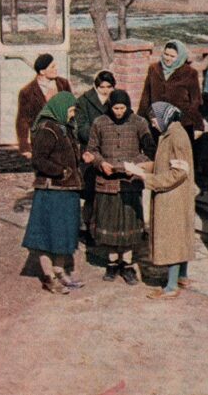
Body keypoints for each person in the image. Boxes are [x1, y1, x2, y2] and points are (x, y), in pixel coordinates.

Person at [84, 90, 155, 285]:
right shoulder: (99, 123)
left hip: (130, 184)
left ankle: (128, 264)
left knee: (129, 224)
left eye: (122, 108)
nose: (118, 112)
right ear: (110, 106)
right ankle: (112, 263)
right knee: (110, 223)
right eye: (115, 108)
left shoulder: (139, 122)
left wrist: (135, 166)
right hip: (106, 183)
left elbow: (149, 149)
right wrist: (100, 164)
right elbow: (91, 150)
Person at [126, 102, 195, 300]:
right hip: (172, 195)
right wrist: (143, 168)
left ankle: (171, 286)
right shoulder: (171, 133)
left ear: (164, 118)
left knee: (172, 239)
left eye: (154, 120)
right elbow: (164, 163)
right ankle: (182, 276)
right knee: (179, 236)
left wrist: (147, 179)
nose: (154, 125)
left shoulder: (176, 137)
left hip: (173, 197)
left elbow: (179, 173)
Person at [22, 91, 85, 294]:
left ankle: (60, 272)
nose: (73, 114)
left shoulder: (64, 128)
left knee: (63, 235)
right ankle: (49, 278)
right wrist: (60, 171)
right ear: (59, 108)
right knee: (48, 237)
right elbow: (38, 159)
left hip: (68, 190)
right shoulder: (47, 129)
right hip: (52, 191)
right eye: (70, 110)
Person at [137, 40, 203, 143]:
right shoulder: (154, 69)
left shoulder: (190, 73)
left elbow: (195, 101)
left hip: (182, 123)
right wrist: (140, 120)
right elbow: (146, 96)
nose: (168, 58)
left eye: (172, 56)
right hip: (158, 122)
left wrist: (198, 125)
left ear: (180, 56)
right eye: (166, 54)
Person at [75, 71, 116, 239]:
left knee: (108, 191)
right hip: (91, 151)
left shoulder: (116, 100)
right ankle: (87, 228)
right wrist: (98, 138)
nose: (105, 91)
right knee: (90, 191)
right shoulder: (84, 101)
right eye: (102, 87)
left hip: (112, 151)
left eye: (109, 87)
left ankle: (105, 227)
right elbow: (81, 126)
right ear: (96, 86)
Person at [15, 53, 72, 158]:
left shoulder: (63, 84)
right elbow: (22, 120)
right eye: (52, 67)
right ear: (42, 71)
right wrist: (24, 147)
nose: (56, 69)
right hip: (41, 142)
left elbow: (72, 110)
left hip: (64, 141)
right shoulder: (27, 92)